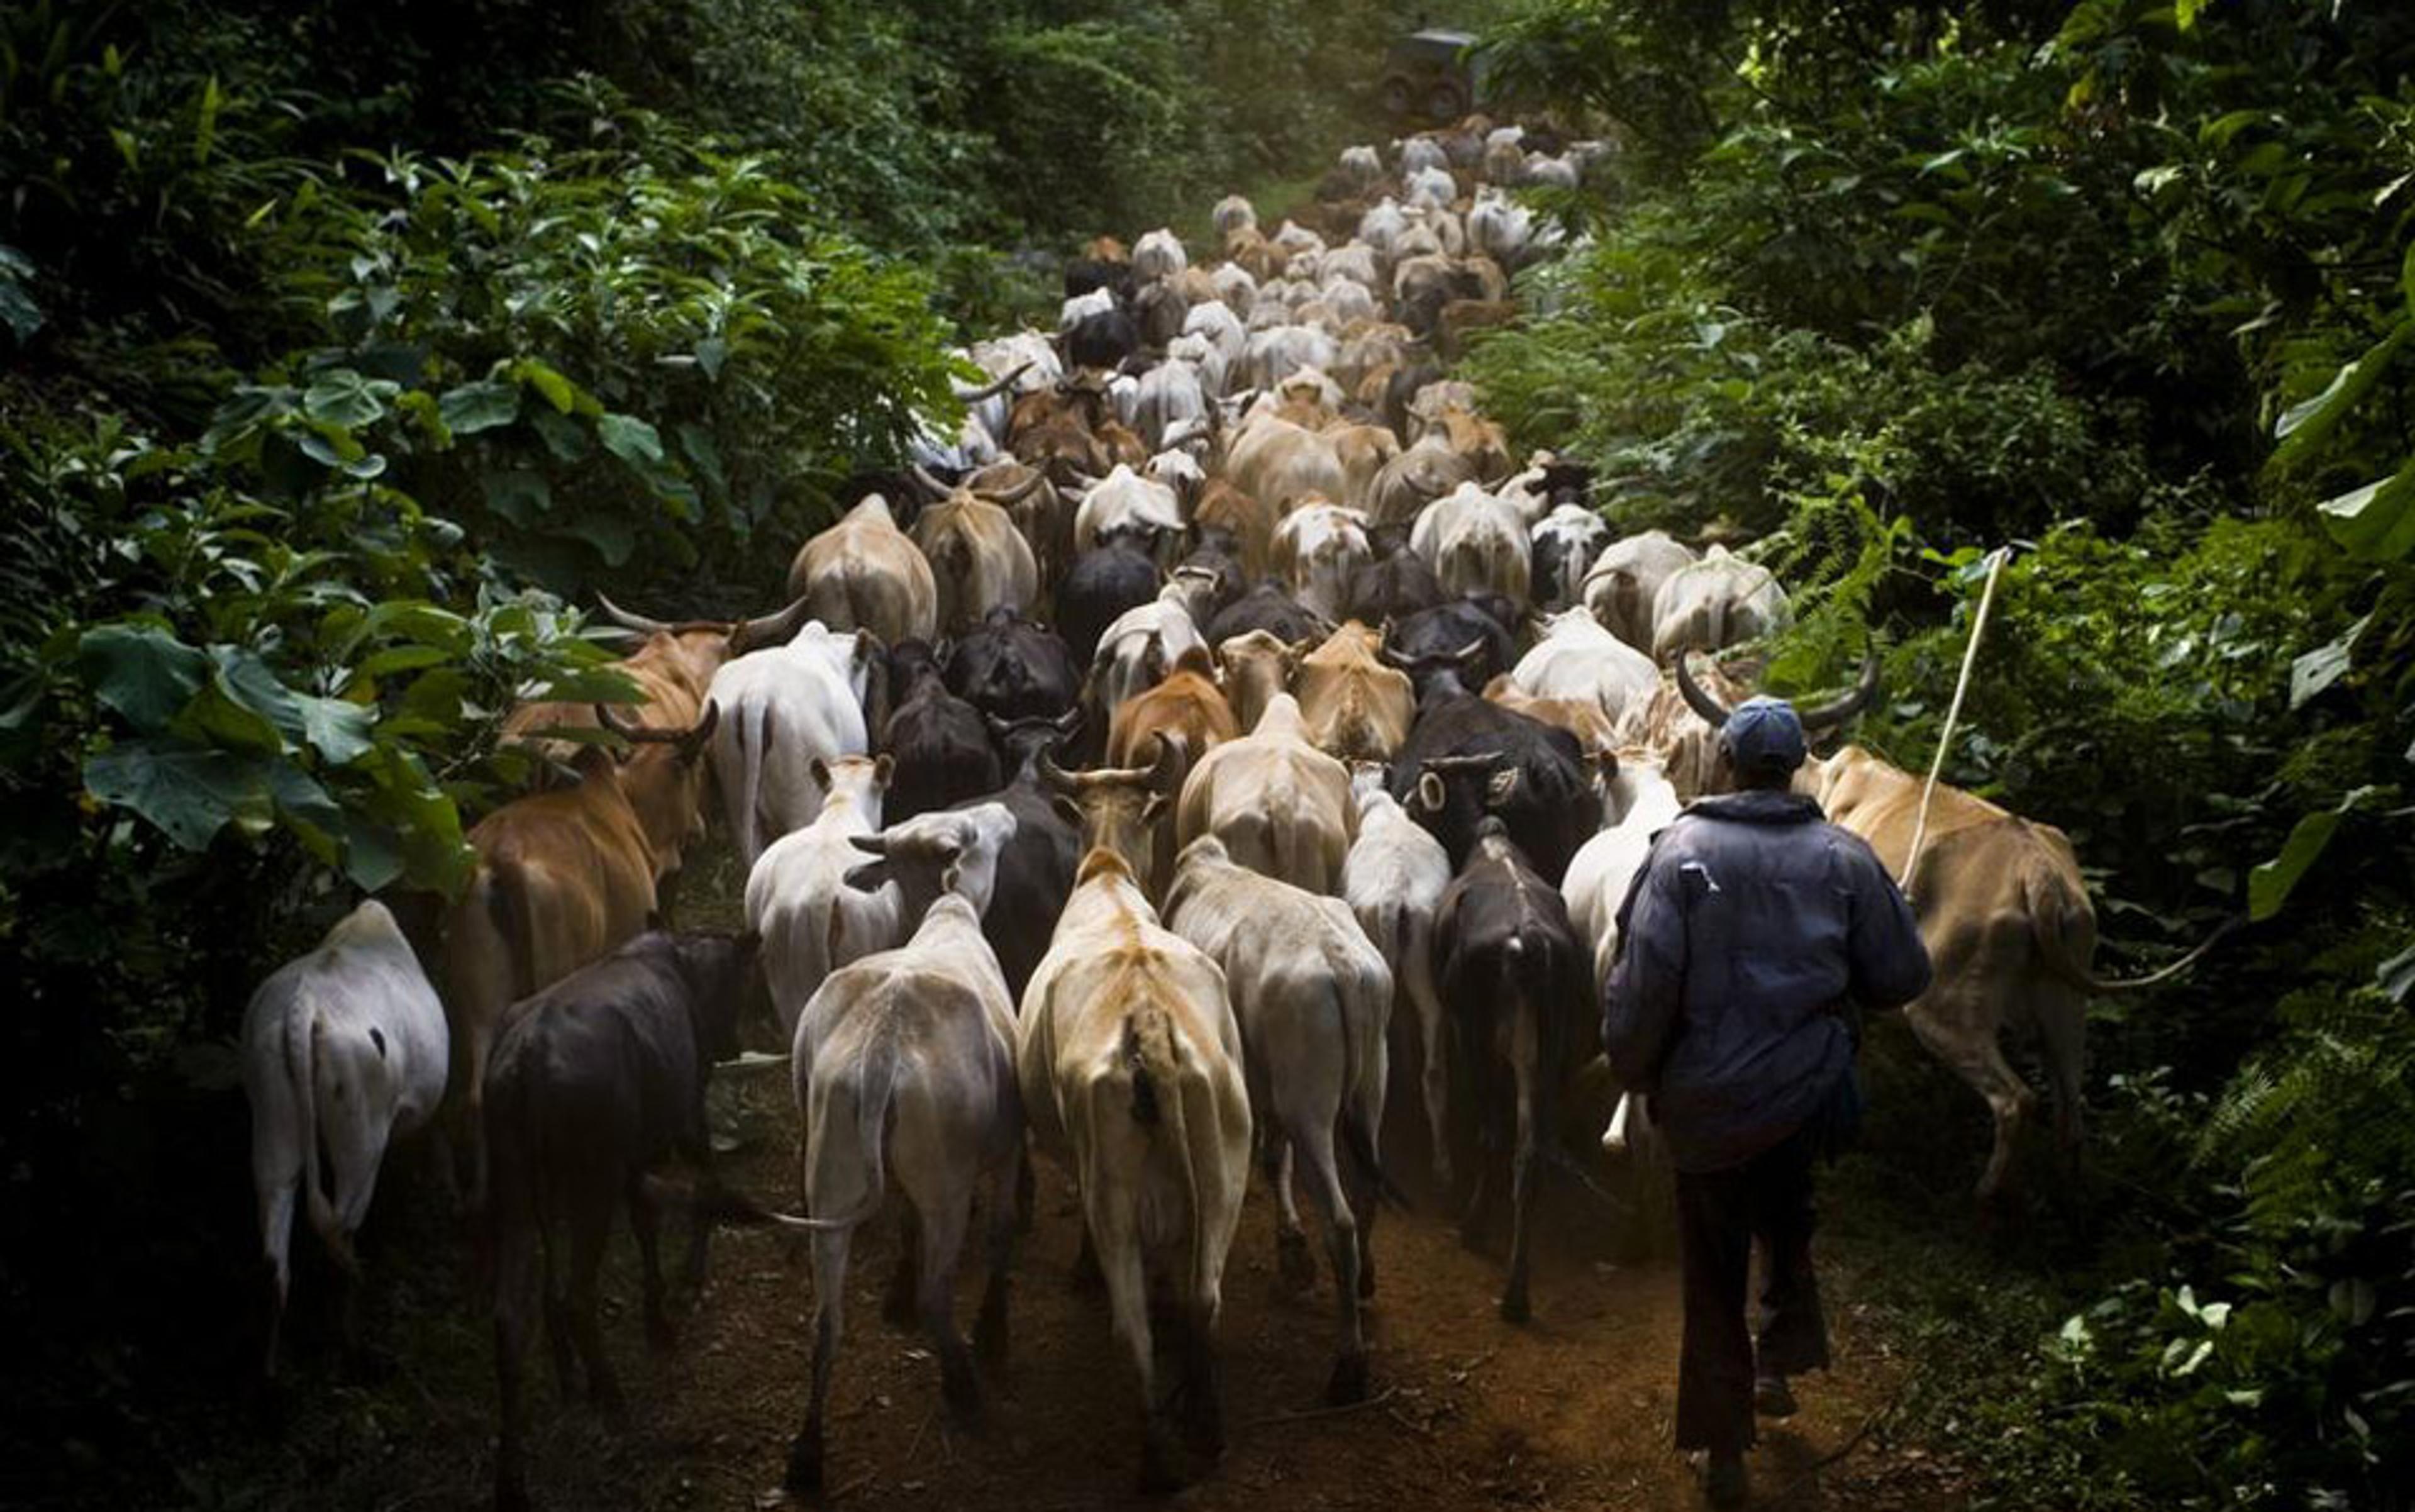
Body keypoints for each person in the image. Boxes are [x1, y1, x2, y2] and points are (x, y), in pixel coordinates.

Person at [1601, 696, 1930, 1508]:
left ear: (1726, 764)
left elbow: (1643, 988)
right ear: (1797, 765)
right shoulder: (1846, 858)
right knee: (1789, 1221)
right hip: (1806, 1102)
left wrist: (1636, 1072)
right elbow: (1903, 979)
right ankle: (1779, 1359)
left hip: (1707, 1109)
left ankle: (1723, 1449)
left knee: (1713, 1271)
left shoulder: (1676, 854)